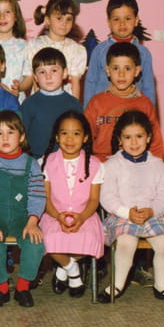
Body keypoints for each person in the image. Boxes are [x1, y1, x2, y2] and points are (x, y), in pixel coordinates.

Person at [97, 110, 164, 305]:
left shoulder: (158, 166)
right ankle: (117, 284)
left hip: (151, 215)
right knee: (126, 243)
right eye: (127, 137)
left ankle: (161, 286)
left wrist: (152, 211)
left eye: (139, 136)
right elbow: (107, 196)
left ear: (148, 137)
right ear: (119, 139)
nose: (134, 142)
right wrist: (126, 212)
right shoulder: (112, 165)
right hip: (122, 216)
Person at [0, 110, 45, 308]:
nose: (5, 138)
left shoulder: (31, 164)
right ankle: (1, 288)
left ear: (22, 137)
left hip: (23, 217)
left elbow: (37, 195)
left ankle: (23, 287)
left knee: (35, 243)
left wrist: (32, 222)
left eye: (11, 132)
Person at [39, 111, 104, 298]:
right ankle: (73, 272)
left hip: (84, 214)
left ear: (85, 137)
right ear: (57, 137)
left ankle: (62, 270)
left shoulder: (95, 164)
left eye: (76, 133)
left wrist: (81, 217)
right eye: (64, 133)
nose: (70, 139)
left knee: (90, 239)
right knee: (49, 239)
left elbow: (94, 200)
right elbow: (45, 197)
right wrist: (57, 216)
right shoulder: (45, 162)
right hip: (53, 214)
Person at [85, 42, 164, 161]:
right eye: (116, 68)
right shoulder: (96, 102)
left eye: (127, 68)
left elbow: (155, 143)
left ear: (137, 71)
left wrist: (157, 165)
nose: (121, 74)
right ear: (108, 70)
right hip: (102, 163)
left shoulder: (144, 104)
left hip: (135, 164)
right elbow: (85, 138)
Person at [83, 0, 156, 108]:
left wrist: (149, 114)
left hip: (133, 112)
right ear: (109, 22)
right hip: (104, 111)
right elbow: (90, 83)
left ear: (136, 20)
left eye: (128, 18)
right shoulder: (100, 51)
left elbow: (148, 87)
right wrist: (88, 112)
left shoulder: (144, 53)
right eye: (116, 19)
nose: (122, 23)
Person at [21, 0, 86, 100]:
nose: (64, 23)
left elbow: (75, 83)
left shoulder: (76, 49)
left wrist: (75, 106)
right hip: (41, 100)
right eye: (59, 18)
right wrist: (38, 104)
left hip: (65, 102)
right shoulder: (35, 45)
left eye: (68, 19)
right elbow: (35, 80)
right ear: (48, 20)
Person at [20, 47, 82, 158]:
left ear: (64, 73)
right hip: (35, 160)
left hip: (66, 160)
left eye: (54, 70)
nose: (48, 76)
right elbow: (21, 137)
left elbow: (81, 136)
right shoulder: (29, 103)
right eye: (42, 72)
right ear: (35, 77)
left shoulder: (74, 104)